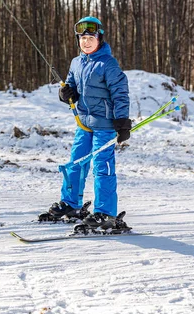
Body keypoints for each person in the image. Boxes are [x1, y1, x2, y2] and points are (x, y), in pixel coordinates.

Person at [46, 16, 131, 232]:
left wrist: (122, 122)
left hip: (105, 125)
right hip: (83, 124)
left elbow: (120, 93)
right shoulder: (77, 62)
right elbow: (72, 87)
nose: (86, 42)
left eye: (90, 37)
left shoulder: (108, 64)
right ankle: (71, 204)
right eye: (82, 38)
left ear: (99, 38)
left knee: (103, 167)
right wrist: (65, 94)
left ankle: (106, 213)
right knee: (75, 163)